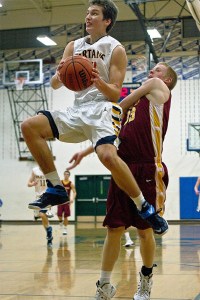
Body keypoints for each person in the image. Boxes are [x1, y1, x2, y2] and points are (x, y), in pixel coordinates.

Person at [21, 0, 168, 235]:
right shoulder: (73, 46)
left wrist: (95, 78)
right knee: (29, 126)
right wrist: (60, 73)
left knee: (108, 156)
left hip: (102, 109)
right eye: (88, 13)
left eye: (95, 13)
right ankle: (56, 187)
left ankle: (145, 207)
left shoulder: (115, 49)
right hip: (77, 110)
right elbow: (55, 84)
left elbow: (114, 94)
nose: (88, 17)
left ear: (107, 20)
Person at [67, 62, 178, 300]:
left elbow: (119, 105)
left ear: (166, 80)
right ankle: (104, 286)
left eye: (158, 70)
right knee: (114, 227)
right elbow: (110, 133)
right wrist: (85, 152)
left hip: (148, 166)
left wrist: (106, 98)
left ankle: (146, 279)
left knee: (145, 230)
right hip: (123, 168)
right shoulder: (135, 105)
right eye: (153, 70)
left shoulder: (157, 89)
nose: (152, 72)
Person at [27, 166, 53, 248]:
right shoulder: (35, 170)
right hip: (38, 196)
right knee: (42, 217)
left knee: (42, 214)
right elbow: (28, 183)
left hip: (47, 196)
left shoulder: (49, 169)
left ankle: (49, 230)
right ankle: (49, 235)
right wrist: (32, 184)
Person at [58, 170, 77, 235]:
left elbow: (74, 192)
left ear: (69, 175)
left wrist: (72, 199)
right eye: (65, 174)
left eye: (67, 174)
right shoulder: (60, 182)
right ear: (63, 175)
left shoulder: (71, 183)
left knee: (66, 216)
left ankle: (65, 229)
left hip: (67, 201)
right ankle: (60, 222)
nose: (66, 175)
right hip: (60, 201)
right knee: (59, 214)